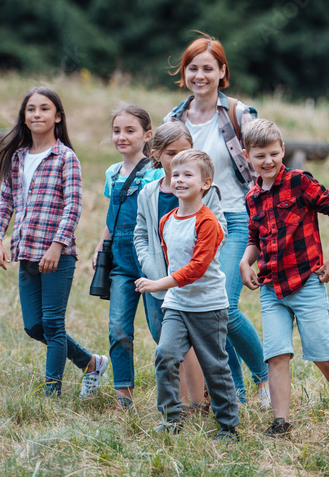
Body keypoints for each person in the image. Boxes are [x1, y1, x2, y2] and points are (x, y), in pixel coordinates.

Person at [238, 119, 329, 443]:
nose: (268, 161)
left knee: (320, 353)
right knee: (276, 354)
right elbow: (255, 237)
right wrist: (245, 261)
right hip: (272, 288)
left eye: (273, 153)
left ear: (282, 150)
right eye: (260, 156)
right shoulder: (252, 197)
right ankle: (280, 423)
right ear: (247, 157)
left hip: (307, 281)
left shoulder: (299, 182)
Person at [164, 32, 269, 406]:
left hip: (236, 219)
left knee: (223, 305)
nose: (200, 75)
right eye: (193, 68)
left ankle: (264, 377)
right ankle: (234, 392)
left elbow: (266, 160)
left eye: (208, 68)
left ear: (222, 72)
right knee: (208, 309)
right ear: (184, 72)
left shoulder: (240, 114)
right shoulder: (174, 120)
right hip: (191, 224)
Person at [0, 86, 108, 397]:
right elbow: (6, 201)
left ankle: (51, 394)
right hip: (26, 252)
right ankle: (91, 363)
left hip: (58, 253)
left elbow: (73, 206)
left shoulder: (65, 157)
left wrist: (57, 245)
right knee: (33, 326)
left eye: (44, 108)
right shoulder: (17, 158)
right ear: (24, 117)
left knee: (53, 324)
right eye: (31, 109)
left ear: (57, 117)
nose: (37, 114)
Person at [135, 149, 240, 440]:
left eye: (188, 175)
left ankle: (228, 426)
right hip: (177, 305)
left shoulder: (208, 222)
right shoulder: (167, 220)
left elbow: (196, 267)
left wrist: (159, 284)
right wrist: (168, 287)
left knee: (215, 366)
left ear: (205, 183)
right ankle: (171, 417)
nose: (179, 180)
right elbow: (173, 259)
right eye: (176, 174)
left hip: (208, 306)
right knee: (165, 354)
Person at [133, 121, 219, 414]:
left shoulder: (208, 191)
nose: (177, 160)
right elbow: (141, 233)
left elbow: (220, 230)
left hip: (197, 285)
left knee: (195, 345)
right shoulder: (148, 193)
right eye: (171, 154)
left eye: (185, 152)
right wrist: (149, 264)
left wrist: (199, 259)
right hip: (159, 281)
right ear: (157, 155)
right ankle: (178, 405)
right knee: (166, 343)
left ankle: (198, 402)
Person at [93, 105, 165, 409]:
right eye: (117, 131)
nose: (122, 137)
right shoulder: (112, 173)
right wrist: (101, 246)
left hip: (151, 260)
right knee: (119, 329)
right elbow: (113, 214)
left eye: (130, 130)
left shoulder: (157, 171)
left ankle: (176, 396)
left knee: (161, 329)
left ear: (147, 135)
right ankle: (124, 399)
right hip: (120, 262)